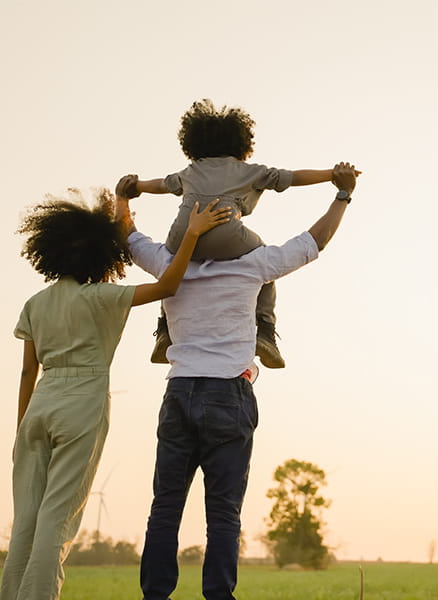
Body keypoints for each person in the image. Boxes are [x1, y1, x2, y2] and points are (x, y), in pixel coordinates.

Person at [115, 162, 358, 600]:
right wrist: (341, 195)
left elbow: (130, 239)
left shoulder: (169, 263)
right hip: (229, 390)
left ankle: (154, 596)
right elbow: (313, 241)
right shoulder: (253, 265)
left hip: (180, 388)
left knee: (164, 508)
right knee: (223, 514)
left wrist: (124, 198)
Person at [0, 189, 232, 600]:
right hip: (82, 401)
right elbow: (170, 284)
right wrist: (192, 234)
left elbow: (26, 371)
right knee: (57, 518)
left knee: (27, 522)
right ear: (100, 254)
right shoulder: (103, 297)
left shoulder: (35, 303)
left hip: (38, 404)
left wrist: (21, 431)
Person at [118, 98, 354, 369]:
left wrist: (136, 188)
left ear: (193, 144)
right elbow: (293, 178)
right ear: (242, 144)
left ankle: (164, 330)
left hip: (182, 238)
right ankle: (265, 329)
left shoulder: (190, 171)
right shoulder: (250, 171)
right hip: (228, 236)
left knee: (170, 269)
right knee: (263, 257)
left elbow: (160, 184)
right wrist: (331, 175)